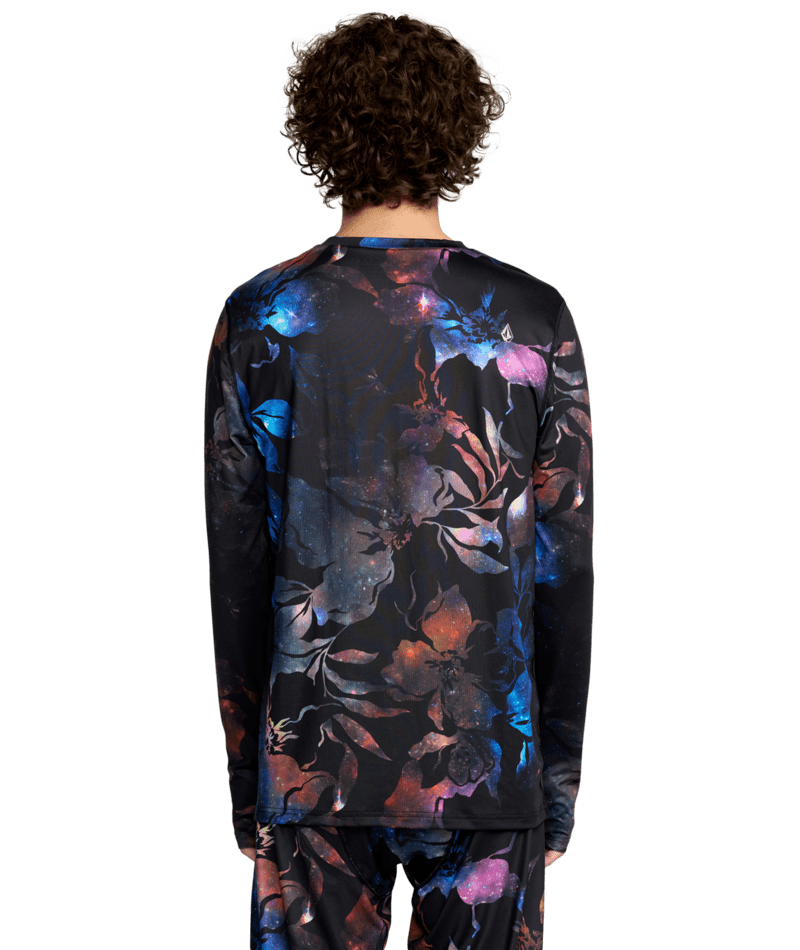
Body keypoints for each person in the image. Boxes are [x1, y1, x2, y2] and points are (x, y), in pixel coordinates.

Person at [203, 9, 594, 949]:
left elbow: (237, 564)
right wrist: (556, 782)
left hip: (313, 761)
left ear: (319, 129)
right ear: (462, 129)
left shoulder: (262, 316)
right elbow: (564, 563)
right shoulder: (529, 315)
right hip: (487, 754)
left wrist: (250, 786)